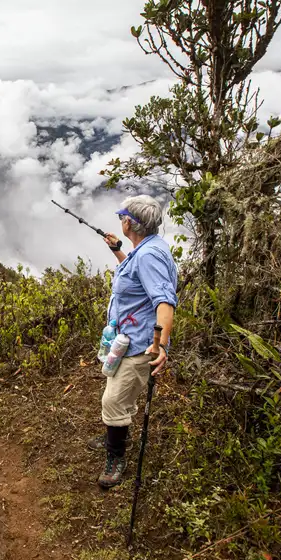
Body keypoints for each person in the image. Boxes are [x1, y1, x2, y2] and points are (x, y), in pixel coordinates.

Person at [88, 195, 177, 488]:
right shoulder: (146, 249)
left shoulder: (149, 255)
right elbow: (138, 278)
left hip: (140, 345)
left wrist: (161, 345)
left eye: (122, 217)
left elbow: (164, 301)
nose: (121, 221)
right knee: (118, 394)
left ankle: (116, 458)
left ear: (130, 223)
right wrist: (118, 252)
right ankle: (114, 434)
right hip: (128, 339)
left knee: (113, 399)